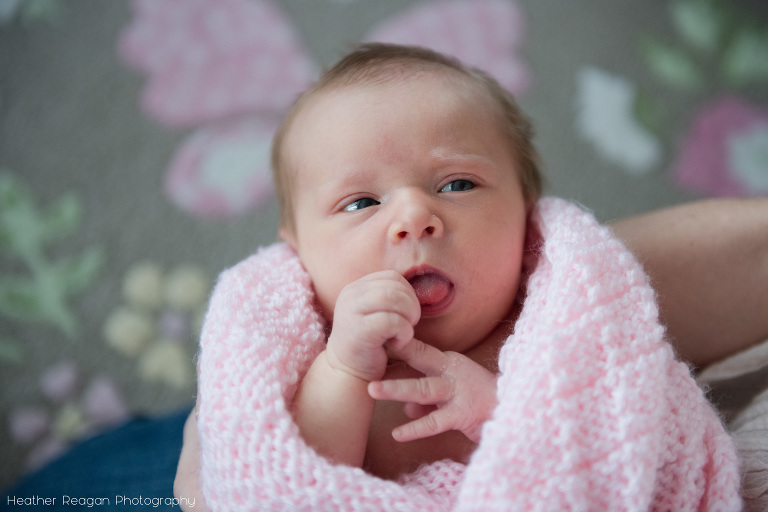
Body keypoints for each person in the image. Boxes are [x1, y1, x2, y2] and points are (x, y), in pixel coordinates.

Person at [178, 44, 764, 510]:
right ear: (297, 245)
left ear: (525, 208)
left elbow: (622, 437)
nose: (413, 219)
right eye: (359, 203)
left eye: (456, 184)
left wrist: (502, 410)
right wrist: (344, 366)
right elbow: (293, 479)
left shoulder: (563, 326)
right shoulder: (318, 364)